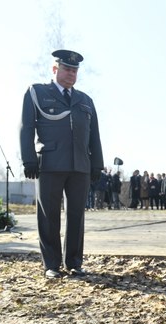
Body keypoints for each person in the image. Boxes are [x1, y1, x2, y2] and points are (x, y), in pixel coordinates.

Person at [19, 49, 103, 278]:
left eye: (75, 70)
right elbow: (26, 128)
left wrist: (97, 163)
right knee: (49, 216)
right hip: (50, 164)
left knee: (77, 215)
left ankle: (74, 262)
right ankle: (52, 265)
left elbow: (94, 134)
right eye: (67, 69)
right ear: (55, 69)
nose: (71, 74)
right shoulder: (37, 92)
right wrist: (28, 159)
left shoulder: (85, 100)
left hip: (79, 166)